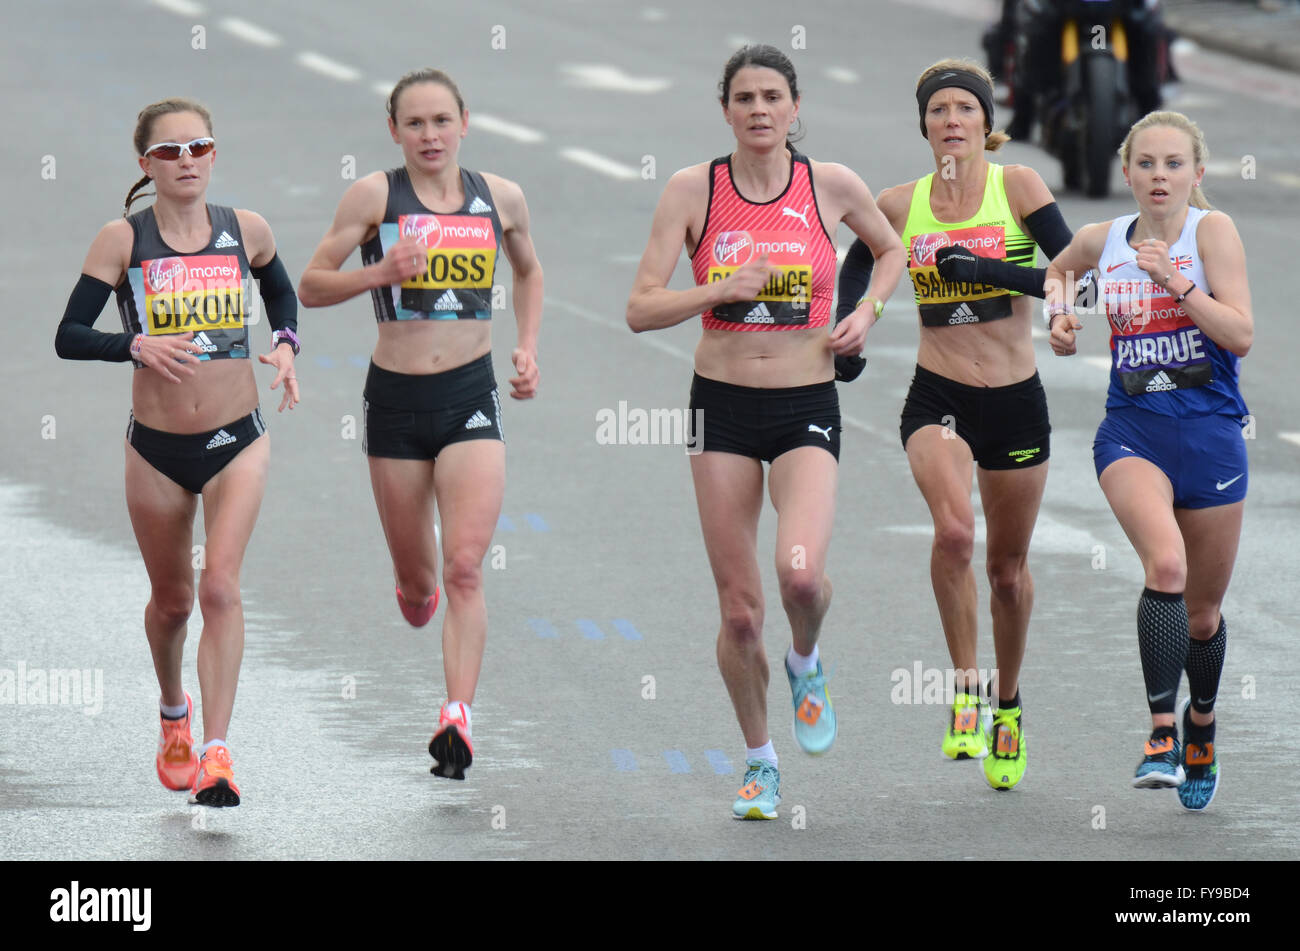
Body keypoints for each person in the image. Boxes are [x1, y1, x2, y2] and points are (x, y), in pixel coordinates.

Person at [626, 44, 904, 819]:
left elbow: (891, 250)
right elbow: (641, 306)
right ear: (725, 110)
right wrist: (714, 288)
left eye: (771, 97)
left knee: (802, 576)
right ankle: (759, 760)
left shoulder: (830, 185)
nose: (758, 109)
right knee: (741, 609)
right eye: (743, 97)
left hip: (804, 404)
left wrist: (865, 314)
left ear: (793, 106)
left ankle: (806, 660)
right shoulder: (693, 190)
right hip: (720, 407)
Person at [54, 97, 301, 807]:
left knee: (222, 585)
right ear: (146, 165)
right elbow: (69, 333)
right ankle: (173, 711)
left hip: (237, 438)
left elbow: (283, 296)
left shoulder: (245, 231)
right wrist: (132, 344)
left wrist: (285, 347)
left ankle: (218, 753)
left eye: (198, 147)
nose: (186, 161)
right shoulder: (122, 241)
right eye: (169, 152)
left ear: (214, 155)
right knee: (173, 601)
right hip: (157, 448)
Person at [297, 68, 542, 781]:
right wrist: (378, 274)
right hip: (397, 404)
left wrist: (527, 344)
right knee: (419, 582)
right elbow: (312, 284)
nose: (430, 136)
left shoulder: (502, 197)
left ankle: (456, 718)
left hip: (471, 392)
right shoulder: (375, 197)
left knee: (466, 565)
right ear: (395, 131)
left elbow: (529, 270)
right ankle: (413, 589)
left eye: (442, 121)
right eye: (416, 124)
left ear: (465, 121)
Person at [840, 59, 1077, 791]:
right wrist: (851, 329)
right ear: (924, 125)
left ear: (984, 122)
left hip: (1014, 399)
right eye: (938, 109)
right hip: (936, 392)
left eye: (964, 108)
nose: (951, 119)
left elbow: (1073, 273)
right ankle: (967, 690)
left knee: (1007, 572)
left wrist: (994, 271)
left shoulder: (1020, 188)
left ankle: (1008, 705)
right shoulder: (899, 202)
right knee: (953, 533)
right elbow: (859, 260)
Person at [1045, 111, 1249, 810]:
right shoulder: (1103, 240)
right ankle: (1161, 731)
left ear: (1197, 174)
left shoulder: (1209, 233)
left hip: (1214, 436)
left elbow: (1242, 334)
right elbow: (1058, 270)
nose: (1159, 177)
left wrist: (1180, 286)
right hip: (1133, 434)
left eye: (1173, 164)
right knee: (1165, 566)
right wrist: (1060, 316)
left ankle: (1201, 724)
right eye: (1147, 164)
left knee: (1203, 613)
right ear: (1126, 172)